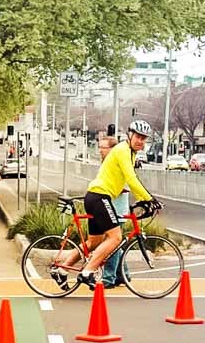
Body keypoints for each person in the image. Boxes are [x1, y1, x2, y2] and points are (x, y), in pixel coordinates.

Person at [55, 120, 161, 291]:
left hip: (96, 196)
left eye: (144, 138)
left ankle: (62, 270)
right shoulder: (122, 150)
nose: (140, 141)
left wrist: (145, 199)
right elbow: (131, 179)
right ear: (129, 135)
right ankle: (87, 272)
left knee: (93, 242)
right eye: (138, 136)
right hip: (99, 196)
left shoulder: (131, 153)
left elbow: (127, 179)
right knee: (115, 237)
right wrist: (149, 199)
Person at [98, 135, 129, 289]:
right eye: (100, 147)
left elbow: (125, 184)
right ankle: (124, 275)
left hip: (117, 210)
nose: (100, 150)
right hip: (107, 208)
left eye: (103, 147)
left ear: (113, 149)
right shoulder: (106, 164)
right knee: (117, 244)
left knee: (112, 245)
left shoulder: (118, 163)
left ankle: (109, 278)